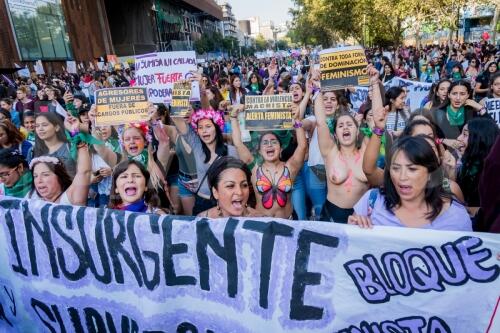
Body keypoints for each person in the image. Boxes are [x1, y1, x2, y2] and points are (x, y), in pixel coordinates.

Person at [349, 136, 472, 231]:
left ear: (431, 173)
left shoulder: (456, 218)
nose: (402, 177)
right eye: (396, 168)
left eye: (412, 169)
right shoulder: (371, 202)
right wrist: (354, 228)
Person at [230, 104, 306, 219]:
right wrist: (233, 117)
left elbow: (302, 146)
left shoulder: (290, 167)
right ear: (260, 151)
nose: (269, 145)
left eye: (274, 142)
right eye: (265, 143)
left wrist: (297, 119)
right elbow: (238, 144)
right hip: (263, 225)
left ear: (280, 149)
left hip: (288, 222)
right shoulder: (254, 169)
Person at [455, 117, 499, 220]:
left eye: (465, 134)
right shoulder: (466, 167)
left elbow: (489, 212)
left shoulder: (493, 174)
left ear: (480, 139)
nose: (459, 138)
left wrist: (457, 210)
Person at [28, 141, 91, 206]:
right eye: (35, 176)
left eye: (45, 175)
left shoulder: (72, 198)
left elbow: (84, 172)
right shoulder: (31, 197)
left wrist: (81, 145)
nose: (39, 181)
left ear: (59, 176)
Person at [33, 112, 77, 177]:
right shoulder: (33, 151)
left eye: (44, 125)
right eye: (37, 126)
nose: (40, 129)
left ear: (56, 127)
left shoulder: (70, 146)